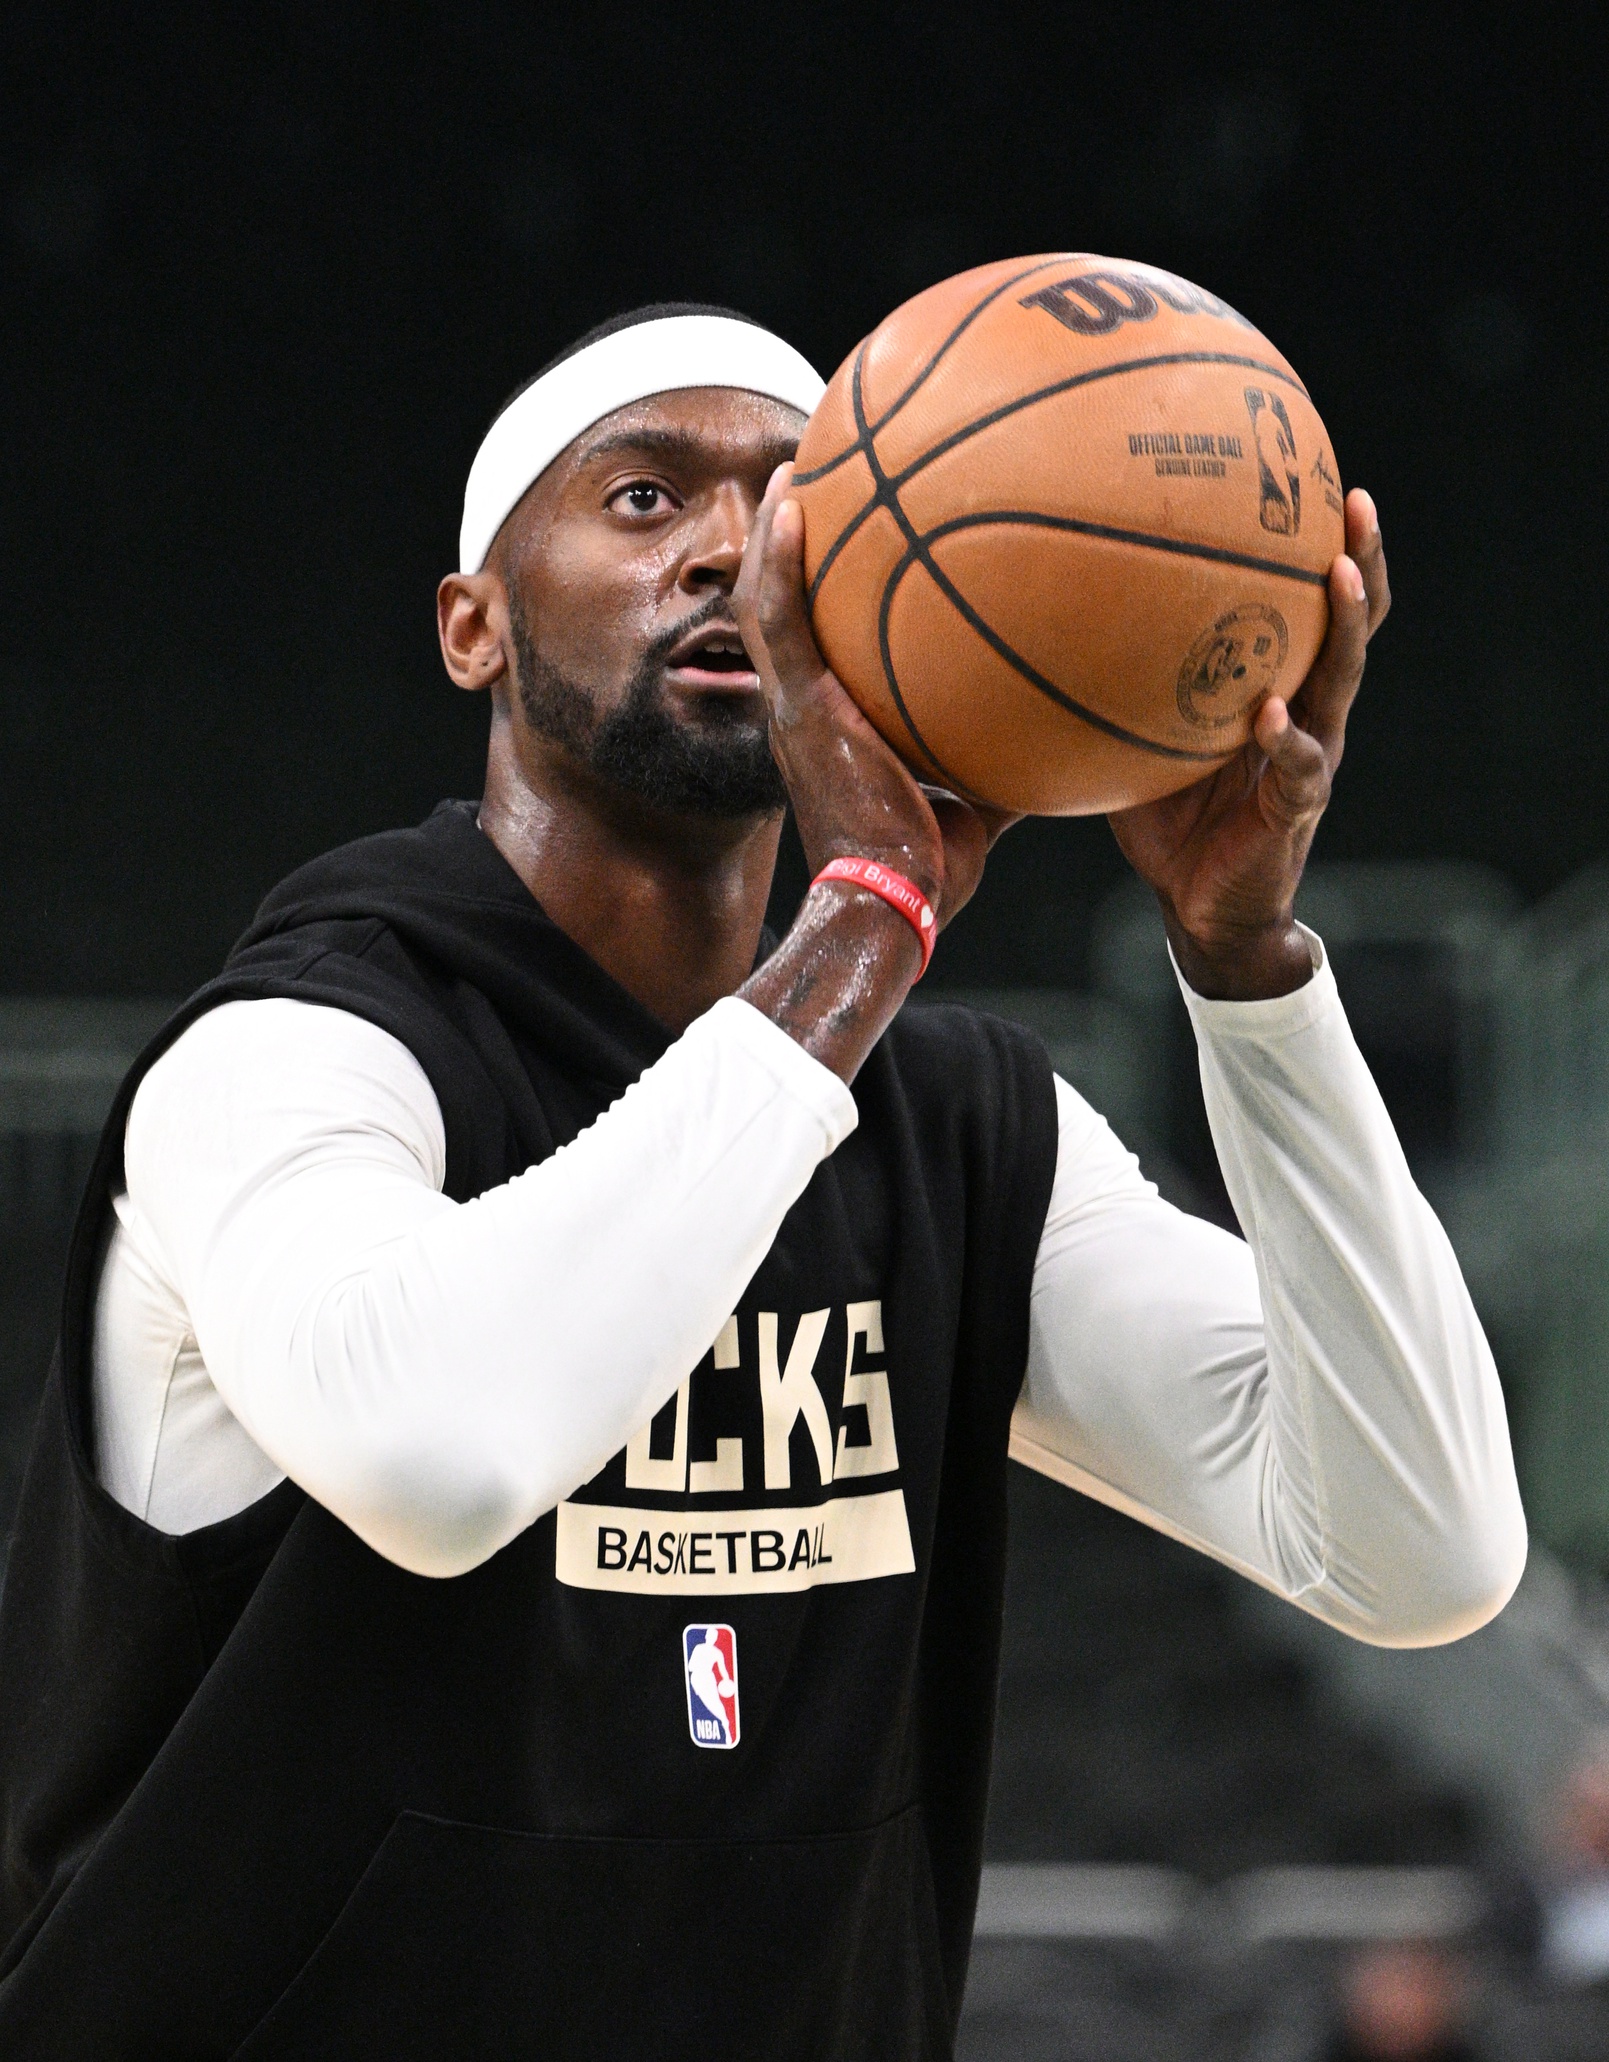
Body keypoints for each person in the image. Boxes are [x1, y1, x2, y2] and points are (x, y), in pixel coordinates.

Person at [0, 303, 1526, 2058]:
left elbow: (1422, 1551)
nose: (730, 545)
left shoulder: (964, 1131)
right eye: (643, 499)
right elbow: (438, 1455)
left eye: (795, 500)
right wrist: (865, 923)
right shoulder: (294, 1052)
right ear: (473, 624)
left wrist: (1247, 970)